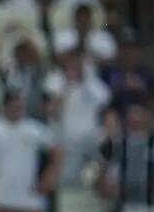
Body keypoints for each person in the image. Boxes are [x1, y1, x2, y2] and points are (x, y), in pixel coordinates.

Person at [43, 50, 111, 186]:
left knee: (99, 172)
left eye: (78, 65)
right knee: (69, 182)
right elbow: (51, 112)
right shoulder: (56, 83)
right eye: (72, 65)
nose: (75, 68)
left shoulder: (94, 85)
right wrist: (67, 87)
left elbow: (107, 107)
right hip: (67, 142)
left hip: (91, 140)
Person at [95, 103, 154, 212]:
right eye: (132, 115)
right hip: (119, 204)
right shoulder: (111, 146)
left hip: (152, 204)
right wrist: (107, 187)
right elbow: (100, 172)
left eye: (140, 115)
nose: (136, 119)